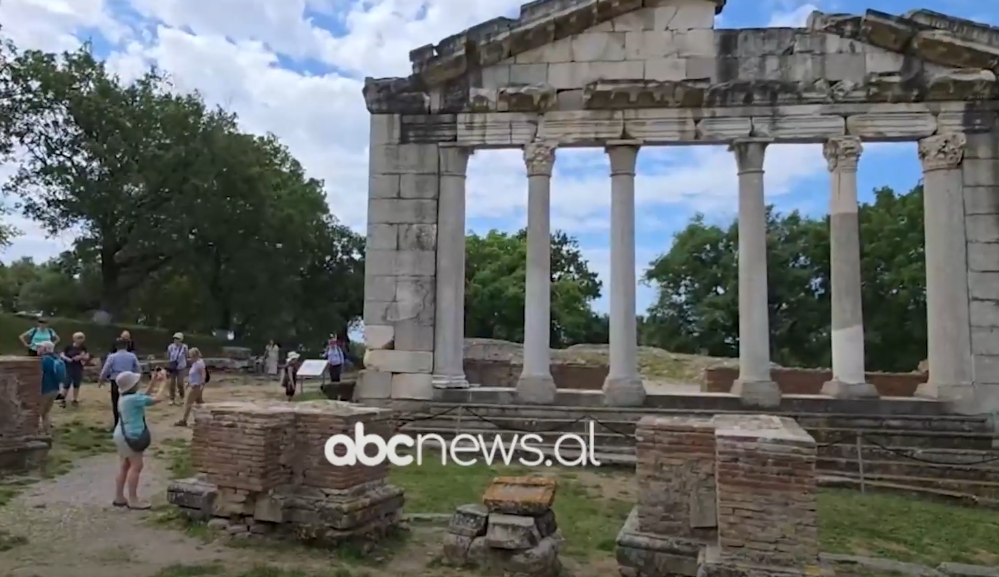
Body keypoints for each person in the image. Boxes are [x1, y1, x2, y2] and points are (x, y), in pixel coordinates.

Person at [112, 370, 166, 510]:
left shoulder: (125, 397)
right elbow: (157, 399)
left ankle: (119, 497)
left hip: (121, 434)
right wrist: (164, 382)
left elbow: (144, 396)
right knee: (136, 466)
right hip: (132, 435)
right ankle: (133, 499)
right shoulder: (133, 399)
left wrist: (153, 382)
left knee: (124, 465)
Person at [99, 339, 142, 430]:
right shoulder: (132, 356)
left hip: (116, 380)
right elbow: (138, 368)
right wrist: (137, 378)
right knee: (129, 402)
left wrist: (101, 378)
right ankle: (129, 423)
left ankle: (117, 424)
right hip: (129, 380)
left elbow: (106, 368)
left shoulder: (112, 356)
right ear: (127, 346)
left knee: (116, 402)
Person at [38, 341, 66, 434]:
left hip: (44, 389)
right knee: (46, 412)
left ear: (45, 349)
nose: (38, 349)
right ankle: (47, 432)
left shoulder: (44, 360)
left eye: (40, 347)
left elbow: (39, 374)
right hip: (55, 389)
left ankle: (37, 433)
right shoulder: (57, 358)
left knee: (37, 412)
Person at [174, 347, 206, 427]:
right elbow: (194, 375)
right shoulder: (195, 363)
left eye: (190, 356)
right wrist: (189, 382)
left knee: (188, 403)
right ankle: (206, 417)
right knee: (200, 403)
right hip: (194, 385)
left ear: (195, 356)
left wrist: (202, 384)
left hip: (196, 386)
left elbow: (203, 374)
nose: (190, 358)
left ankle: (184, 420)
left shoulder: (199, 363)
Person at [59, 332, 90, 408]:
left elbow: (87, 356)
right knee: (67, 383)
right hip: (68, 367)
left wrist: (80, 357)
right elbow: (62, 354)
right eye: (78, 338)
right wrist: (67, 358)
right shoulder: (68, 347)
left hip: (78, 367)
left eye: (81, 338)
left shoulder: (83, 348)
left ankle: (75, 399)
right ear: (74, 339)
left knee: (77, 383)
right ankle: (62, 399)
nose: (80, 340)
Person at [165, 332, 188, 406]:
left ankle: (181, 397)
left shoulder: (184, 347)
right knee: (172, 383)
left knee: (180, 383)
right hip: (173, 367)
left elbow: (186, 356)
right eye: (175, 339)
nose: (176, 340)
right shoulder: (171, 347)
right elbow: (168, 356)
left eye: (178, 339)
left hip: (181, 367)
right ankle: (172, 398)